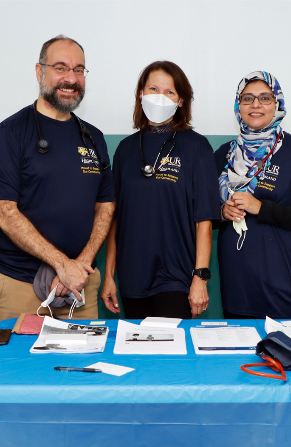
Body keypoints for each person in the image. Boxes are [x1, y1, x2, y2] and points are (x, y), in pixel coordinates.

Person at [0, 35, 115, 324]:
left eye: (79, 70)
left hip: (80, 286)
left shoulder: (94, 137)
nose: (71, 78)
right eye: (61, 67)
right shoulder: (11, 132)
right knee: (21, 370)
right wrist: (61, 264)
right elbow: (3, 212)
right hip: (22, 286)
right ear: (39, 71)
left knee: (84, 367)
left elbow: (105, 205)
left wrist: (78, 266)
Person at [100, 61, 220, 319]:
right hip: (132, 276)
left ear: (181, 101)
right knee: (138, 356)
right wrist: (109, 275)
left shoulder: (197, 147)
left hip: (176, 277)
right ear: (141, 94)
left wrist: (200, 278)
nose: (160, 97)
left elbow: (204, 221)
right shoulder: (126, 149)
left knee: (171, 356)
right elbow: (114, 219)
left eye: (169, 92)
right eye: (153, 89)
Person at [214, 71, 291, 320]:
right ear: (238, 105)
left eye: (265, 98)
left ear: (277, 104)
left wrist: (261, 208)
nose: (255, 105)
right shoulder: (223, 155)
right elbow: (203, 215)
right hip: (237, 290)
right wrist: (222, 212)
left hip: (283, 290)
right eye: (247, 98)